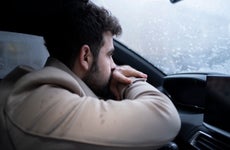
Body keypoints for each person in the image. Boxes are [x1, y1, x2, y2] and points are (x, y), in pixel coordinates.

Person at [3, 0, 181, 149]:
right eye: (110, 55)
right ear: (85, 56)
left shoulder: (49, 93)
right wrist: (129, 82)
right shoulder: (44, 103)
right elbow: (165, 117)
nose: (114, 66)